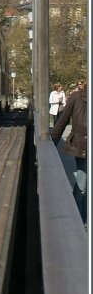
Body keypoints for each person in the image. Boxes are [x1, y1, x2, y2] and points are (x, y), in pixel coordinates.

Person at [50, 79, 87, 225]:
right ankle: (79, 222)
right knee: (82, 187)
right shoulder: (76, 97)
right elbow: (62, 121)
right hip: (83, 148)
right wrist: (52, 143)